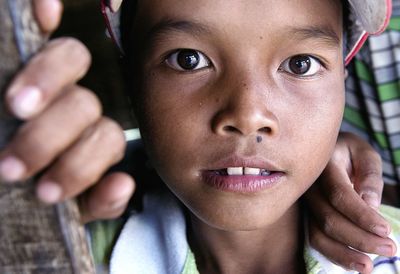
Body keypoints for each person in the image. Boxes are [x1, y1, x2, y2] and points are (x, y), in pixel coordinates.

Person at [0, 0, 396, 272]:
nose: (247, 116)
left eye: (301, 64)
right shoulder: (61, 245)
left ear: (342, 86)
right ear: (130, 81)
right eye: (189, 60)